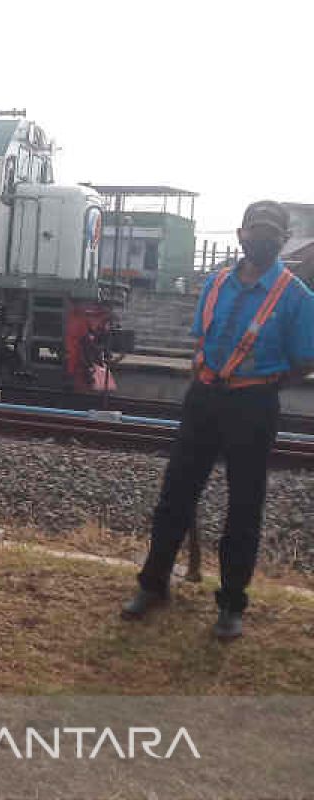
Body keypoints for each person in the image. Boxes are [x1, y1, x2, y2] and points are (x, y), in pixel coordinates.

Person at [122, 201, 314, 640]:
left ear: (281, 241)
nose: (260, 239)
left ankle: (231, 605)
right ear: (240, 234)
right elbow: (202, 340)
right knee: (175, 496)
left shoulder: (297, 298)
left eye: (270, 233)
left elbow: (304, 361)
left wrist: (262, 385)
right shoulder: (216, 284)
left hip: (254, 406)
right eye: (254, 231)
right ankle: (152, 586)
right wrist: (203, 383)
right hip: (204, 398)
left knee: (244, 507)